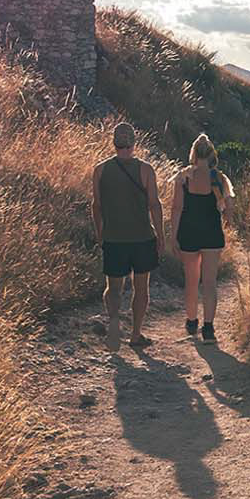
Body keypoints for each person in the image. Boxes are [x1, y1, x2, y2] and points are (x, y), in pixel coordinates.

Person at [90, 122, 164, 348]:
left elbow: (96, 206)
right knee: (141, 289)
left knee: (113, 288)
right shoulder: (146, 170)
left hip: (113, 238)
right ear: (134, 143)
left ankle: (114, 320)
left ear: (114, 143)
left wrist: (100, 233)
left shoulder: (100, 170)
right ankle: (135, 334)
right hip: (142, 238)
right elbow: (154, 205)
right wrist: (161, 236)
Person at [169, 133, 234, 342]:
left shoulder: (183, 177)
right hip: (212, 234)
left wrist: (173, 236)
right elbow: (229, 207)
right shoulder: (220, 178)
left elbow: (176, 208)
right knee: (209, 283)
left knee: (191, 281)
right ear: (212, 154)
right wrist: (226, 222)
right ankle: (208, 328)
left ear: (193, 154)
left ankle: (191, 321)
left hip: (188, 233)